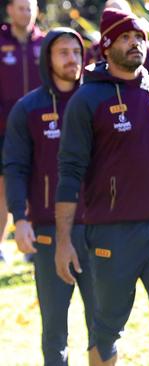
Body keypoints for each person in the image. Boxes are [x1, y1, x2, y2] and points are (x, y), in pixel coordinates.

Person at [54, 8, 149, 366]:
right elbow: (69, 172)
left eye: (140, 38)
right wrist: (65, 240)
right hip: (111, 233)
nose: (136, 44)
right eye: (126, 38)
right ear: (107, 45)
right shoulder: (87, 99)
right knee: (107, 328)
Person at [3, 28, 96, 366]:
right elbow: (14, 167)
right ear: (47, 58)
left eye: (76, 51)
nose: (72, 59)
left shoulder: (97, 100)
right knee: (54, 329)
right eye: (63, 53)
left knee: (103, 325)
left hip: (99, 228)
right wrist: (20, 218)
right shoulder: (28, 109)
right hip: (48, 231)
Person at [0, 0, 44, 261]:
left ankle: (34, 243)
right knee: (4, 187)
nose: (26, 13)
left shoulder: (45, 43)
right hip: (4, 130)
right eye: (21, 7)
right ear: (9, 10)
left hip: (39, 128)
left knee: (38, 184)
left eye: (30, 8)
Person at [84, 0, 149, 82]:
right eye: (112, 16)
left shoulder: (147, 49)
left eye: (122, 14)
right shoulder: (95, 50)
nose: (134, 43)